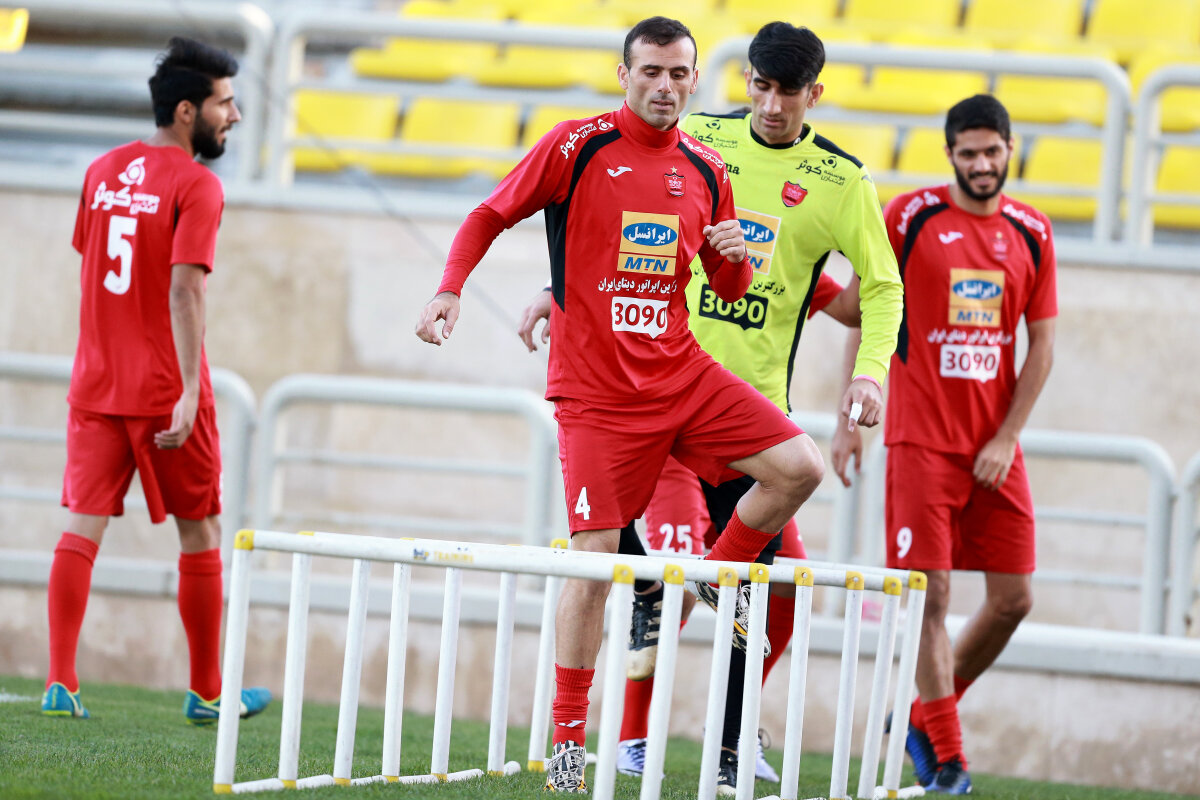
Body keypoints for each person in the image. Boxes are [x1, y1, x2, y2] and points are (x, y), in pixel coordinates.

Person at [415, 17, 829, 794]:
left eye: (679, 74)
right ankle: (569, 742)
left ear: (695, 80)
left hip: (682, 374)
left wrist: (738, 262)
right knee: (593, 563)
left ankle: (716, 571)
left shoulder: (707, 167)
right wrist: (449, 288)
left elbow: (728, 283)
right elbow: (488, 214)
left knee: (800, 467)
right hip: (597, 396)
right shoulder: (578, 146)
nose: (665, 86)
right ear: (624, 75)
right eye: (651, 72)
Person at [517, 21, 904, 795]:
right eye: (760, 85)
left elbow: (863, 287)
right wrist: (561, 288)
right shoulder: (700, 141)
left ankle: (728, 740)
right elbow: (621, 221)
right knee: (656, 571)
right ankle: (624, 739)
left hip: (742, 415)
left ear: (814, 94)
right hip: (652, 397)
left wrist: (868, 372)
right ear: (741, 82)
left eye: (787, 91)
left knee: (775, 594)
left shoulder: (841, 181)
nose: (771, 104)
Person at [43, 36, 271, 725]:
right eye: (224, 103)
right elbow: (183, 289)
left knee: (81, 529)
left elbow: (93, 263)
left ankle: (60, 682)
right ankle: (207, 693)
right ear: (186, 111)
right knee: (201, 532)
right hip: (165, 390)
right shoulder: (197, 185)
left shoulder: (101, 171)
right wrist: (191, 390)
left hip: (96, 385)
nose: (235, 115)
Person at [850, 94, 1056, 794]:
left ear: (1009, 149)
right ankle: (949, 759)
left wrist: (1007, 435)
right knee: (929, 595)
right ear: (949, 156)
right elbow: (871, 306)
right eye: (968, 154)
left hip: (994, 448)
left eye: (992, 151)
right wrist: (852, 410)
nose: (982, 164)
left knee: (1014, 599)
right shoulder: (909, 217)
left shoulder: (1033, 230)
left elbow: (1043, 344)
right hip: (919, 441)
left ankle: (922, 716)